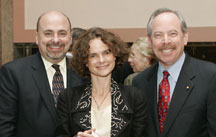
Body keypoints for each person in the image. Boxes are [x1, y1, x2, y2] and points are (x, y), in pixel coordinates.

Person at [132, 8, 216, 137]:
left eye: (172, 33)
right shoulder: (140, 82)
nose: (166, 41)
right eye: (158, 35)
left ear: (185, 37)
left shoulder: (210, 76)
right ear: (150, 41)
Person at [0, 11, 84, 137]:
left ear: (70, 38)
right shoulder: (13, 73)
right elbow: (4, 128)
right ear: (37, 37)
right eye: (48, 33)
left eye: (62, 33)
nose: (56, 40)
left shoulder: (83, 72)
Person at [56, 27, 148, 137]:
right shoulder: (68, 98)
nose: (101, 60)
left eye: (106, 52)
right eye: (93, 55)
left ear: (115, 55)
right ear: (85, 61)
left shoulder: (134, 97)